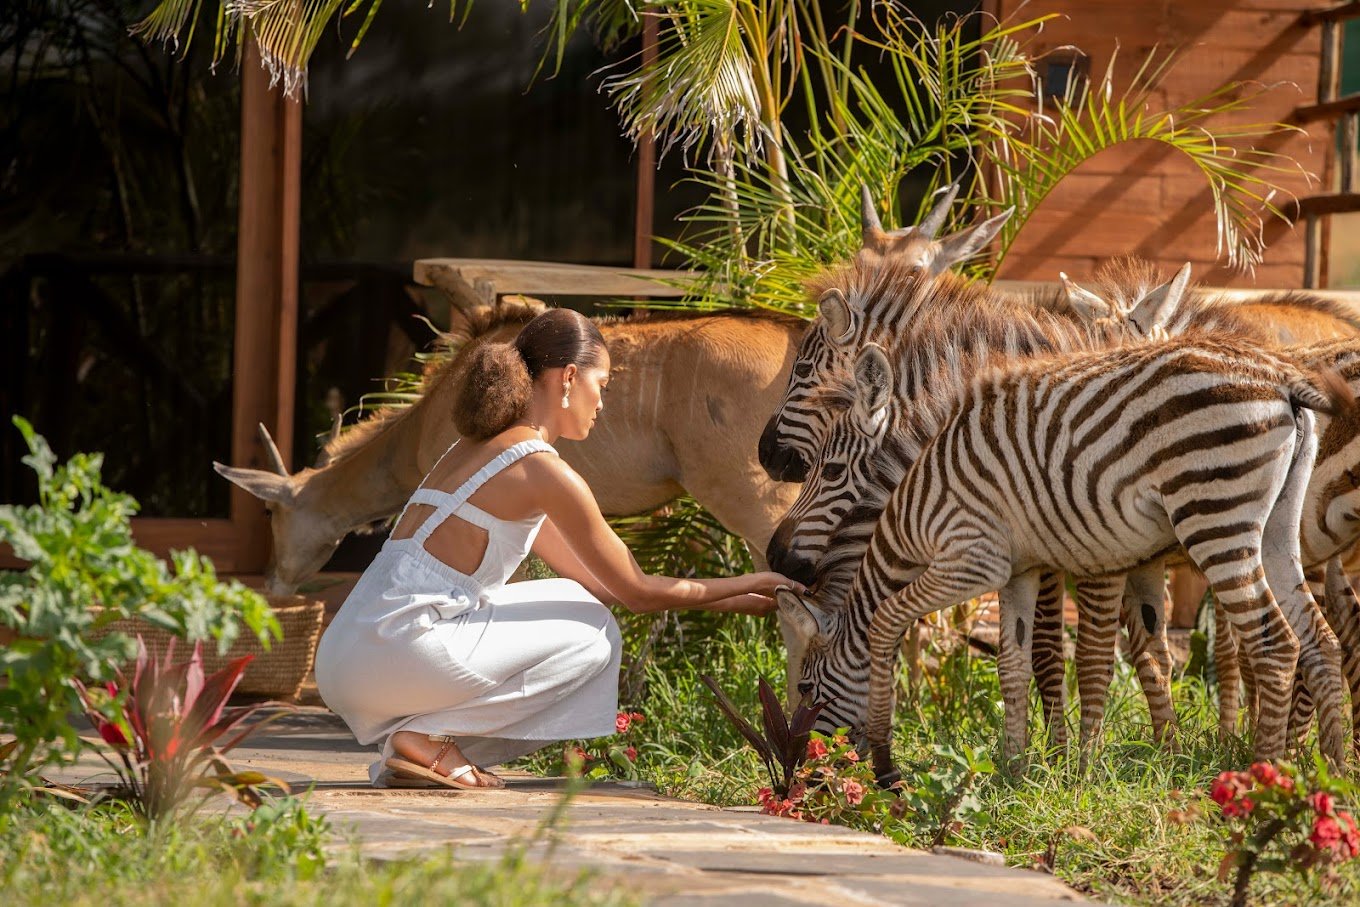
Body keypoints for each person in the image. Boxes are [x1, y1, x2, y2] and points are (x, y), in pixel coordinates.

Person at [314, 308, 800, 789]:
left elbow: (597, 583)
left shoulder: (475, 448)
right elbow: (636, 591)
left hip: (348, 652)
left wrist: (735, 600)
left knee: (577, 604)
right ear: (569, 378)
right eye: (602, 385)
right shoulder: (544, 471)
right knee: (595, 637)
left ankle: (420, 747)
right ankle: (423, 737)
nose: (603, 404)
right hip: (394, 648)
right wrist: (754, 579)